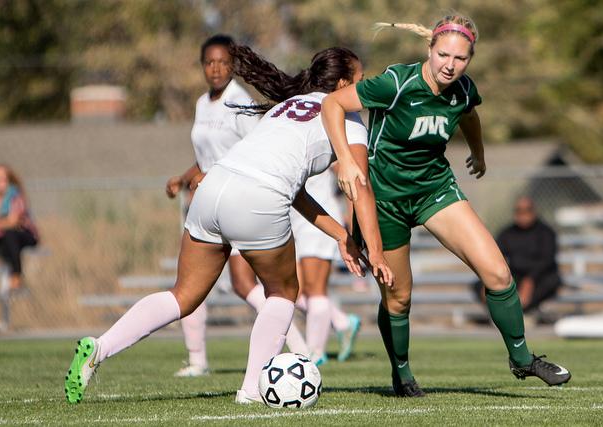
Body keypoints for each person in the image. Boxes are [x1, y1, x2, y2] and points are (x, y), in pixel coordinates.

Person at [64, 45, 393, 405]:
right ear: (344, 83)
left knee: (183, 296)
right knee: (283, 293)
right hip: (257, 198)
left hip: (214, 188)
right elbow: (360, 186)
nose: (365, 88)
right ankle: (251, 390)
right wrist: (375, 252)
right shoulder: (349, 120)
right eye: (361, 81)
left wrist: (342, 236)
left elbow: (296, 191)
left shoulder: (287, 107)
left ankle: (100, 347)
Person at [321, 15, 571, 397]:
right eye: (443, 55)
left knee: (499, 275)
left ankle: (522, 359)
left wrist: (479, 153)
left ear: (470, 59)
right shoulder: (397, 81)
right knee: (399, 296)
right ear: (429, 49)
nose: (450, 65)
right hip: (385, 200)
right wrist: (347, 160)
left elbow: (470, 115)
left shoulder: (463, 89)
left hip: (434, 190)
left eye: (460, 58)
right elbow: (332, 105)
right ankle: (402, 374)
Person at [164, 34, 309, 377]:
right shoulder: (203, 103)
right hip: (208, 201)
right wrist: (184, 178)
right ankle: (197, 359)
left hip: (239, 200)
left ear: (233, 66)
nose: (216, 69)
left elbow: (254, 150)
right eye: (209, 62)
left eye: (223, 62)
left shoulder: (239, 101)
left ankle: (299, 348)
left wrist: (211, 176)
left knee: (246, 284)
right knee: (190, 284)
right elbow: (208, 155)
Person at [291, 168, 362, 365]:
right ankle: (342, 322)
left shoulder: (324, 137)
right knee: (292, 291)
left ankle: (315, 353)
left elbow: (347, 176)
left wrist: (352, 218)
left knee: (315, 290)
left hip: (320, 219)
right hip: (293, 219)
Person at [473, 196, 563, 317]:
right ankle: (500, 315)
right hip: (514, 275)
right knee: (481, 284)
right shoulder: (507, 233)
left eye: (527, 210)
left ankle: (524, 314)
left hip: (540, 276)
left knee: (551, 282)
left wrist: (530, 279)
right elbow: (498, 256)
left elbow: (547, 260)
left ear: (533, 211)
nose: (523, 215)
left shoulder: (545, 233)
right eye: (519, 211)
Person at [0, 164, 39, 294]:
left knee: (10, 235)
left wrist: (4, 223)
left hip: (23, 234)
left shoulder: (14, 196)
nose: (0, 183)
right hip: (3, 237)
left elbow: (13, 221)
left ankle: (16, 277)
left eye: (3, 179)